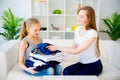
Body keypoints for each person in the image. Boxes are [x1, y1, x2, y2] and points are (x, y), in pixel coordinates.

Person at [47, 6, 103, 76]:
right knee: (66, 72)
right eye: (78, 15)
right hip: (82, 62)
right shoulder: (77, 29)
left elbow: (77, 51)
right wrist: (56, 48)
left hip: (94, 64)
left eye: (81, 17)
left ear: (89, 19)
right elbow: (73, 47)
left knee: (77, 76)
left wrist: (58, 47)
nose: (78, 18)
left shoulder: (92, 33)